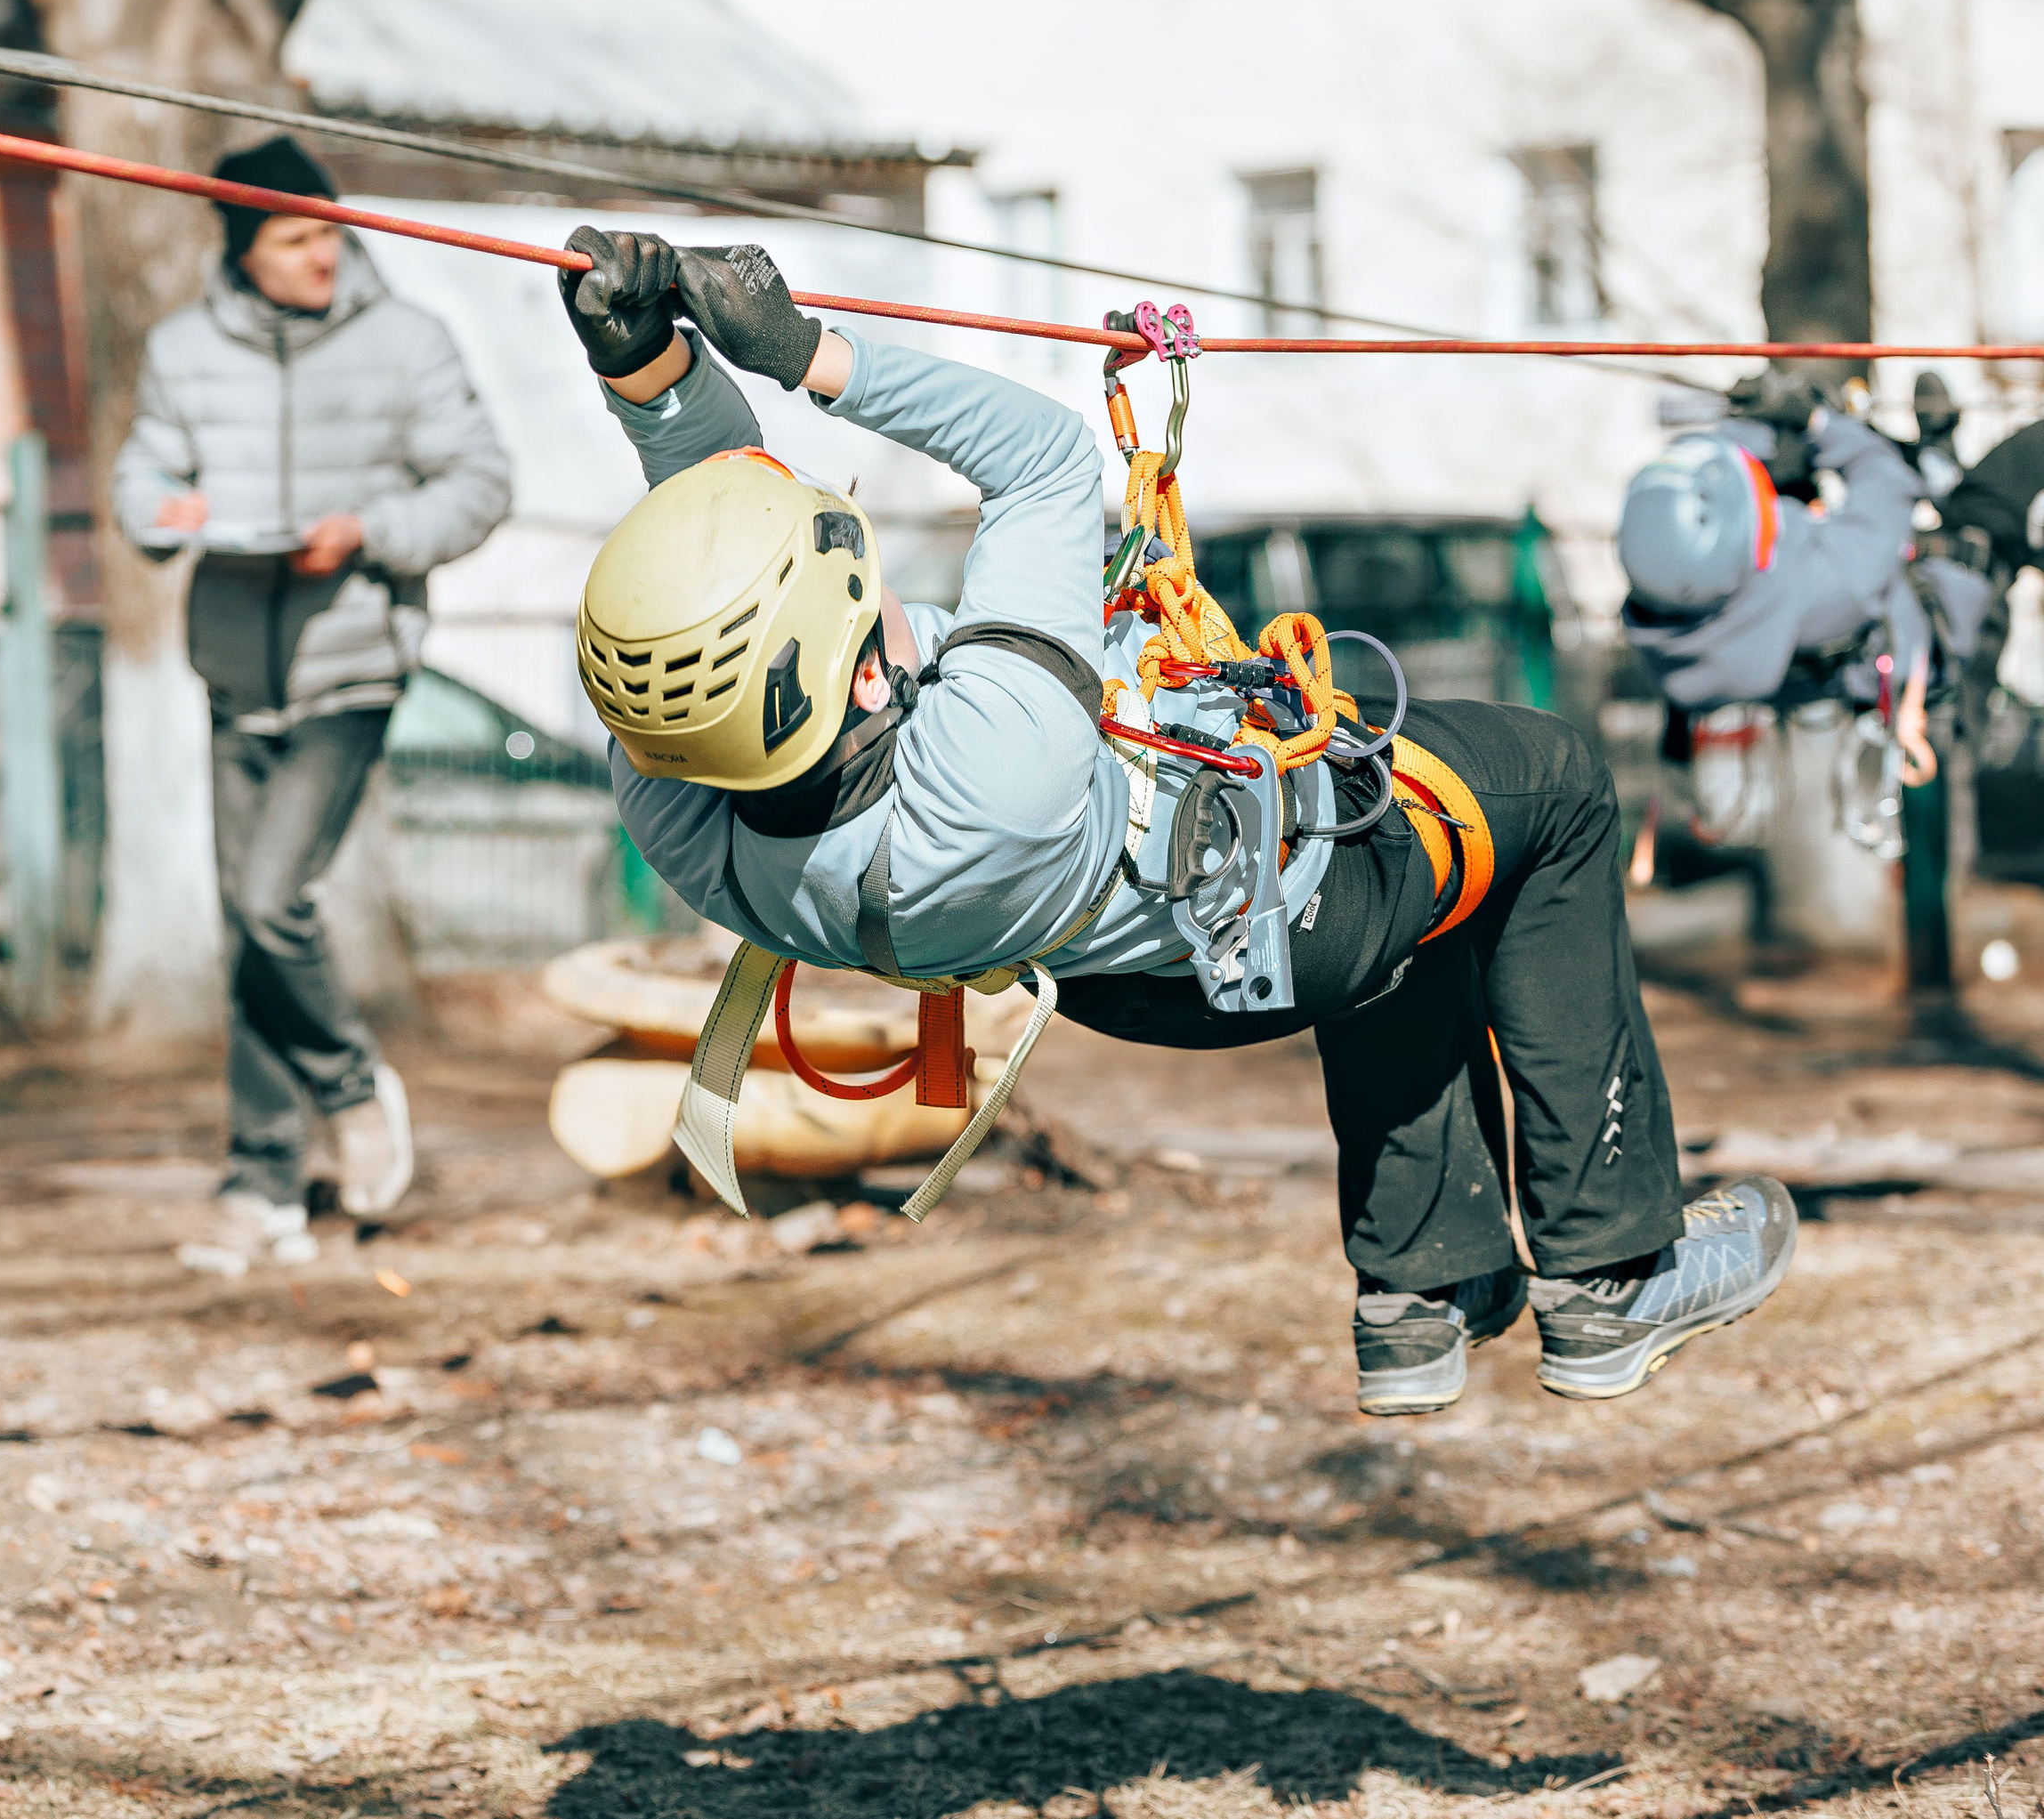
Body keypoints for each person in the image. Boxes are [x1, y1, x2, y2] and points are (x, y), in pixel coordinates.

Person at [554, 228, 1794, 1416]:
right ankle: (1611, 1277)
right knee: (1553, 785)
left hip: (1133, 976)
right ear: (867, 680)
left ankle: (1424, 1295)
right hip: (1285, 905)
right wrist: (806, 350)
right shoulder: (991, 766)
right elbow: (1039, 456)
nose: (888, 597)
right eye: (865, 589)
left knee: (1426, 878)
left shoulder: (680, 802)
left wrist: (648, 370)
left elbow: (715, 519)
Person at [114, 135, 512, 1275]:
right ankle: (260, 1184)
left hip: (351, 661)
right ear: (243, 250)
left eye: (330, 231)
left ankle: (350, 1089)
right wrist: (167, 512)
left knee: (267, 894)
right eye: (295, 239)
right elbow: (143, 471)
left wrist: (369, 532)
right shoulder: (184, 351)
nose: (323, 255)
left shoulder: (408, 343)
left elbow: (481, 480)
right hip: (236, 665)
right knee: (251, 923)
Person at [1617, 381, 1990, 780]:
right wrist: (1819, 422)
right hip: (1925, 639)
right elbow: (1883, 477)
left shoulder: (1666, 618)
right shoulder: (1837, 579)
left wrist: (1751, 420)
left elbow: (1719, 489)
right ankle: (1942, 469)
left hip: (1820, 668)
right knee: (1979, 519)